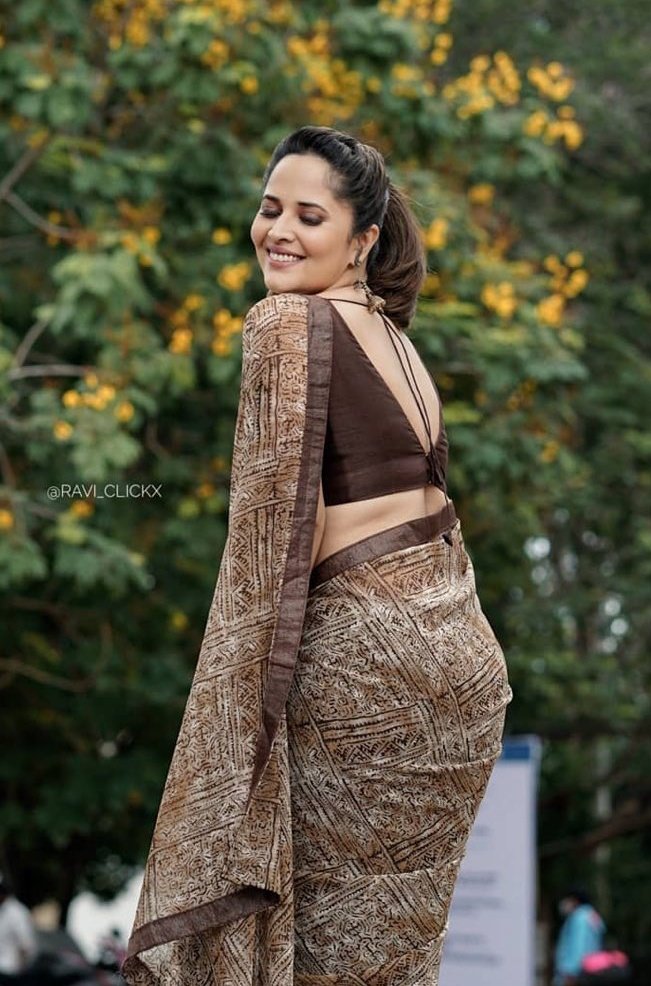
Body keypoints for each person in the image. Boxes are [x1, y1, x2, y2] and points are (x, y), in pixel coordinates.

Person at [123, 125, 513, 985]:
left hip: (366, 678)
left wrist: (222, 764)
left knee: (320, 962)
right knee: (387, 960)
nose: (278, 232)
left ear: (362, 239)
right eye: (270, 210)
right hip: (463, 675)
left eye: (309, 217)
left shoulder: (286, 324)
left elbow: (262, 550)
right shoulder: (396, 340)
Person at [554, 888, 606, 986]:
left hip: (576, 975)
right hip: (591, 972)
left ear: (575, 900)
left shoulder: (579, 917)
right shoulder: (592, 915)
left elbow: (578, 946)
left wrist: (570, 972)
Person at [0, 876, 38, 978]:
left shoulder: (17, 912)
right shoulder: (3, 910)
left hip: (10, 972)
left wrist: (21, 972)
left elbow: (26, 945)